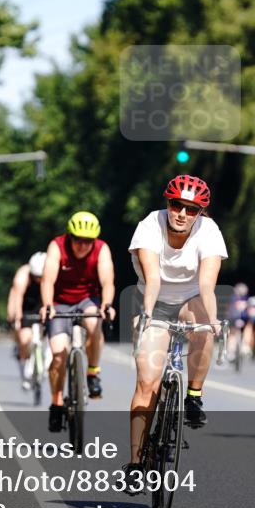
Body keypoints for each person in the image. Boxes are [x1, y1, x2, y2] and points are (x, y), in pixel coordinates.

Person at [124, 175, 227, 487]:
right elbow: (152, 279)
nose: (182, 213)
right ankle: (136, 462)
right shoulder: (149, 226)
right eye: (176, 205)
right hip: (154, 303)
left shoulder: (209, 232)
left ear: (200, 213)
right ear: (167, 204)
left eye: (191, 209)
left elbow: (208, 285)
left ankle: (194, 395)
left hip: (191, 300)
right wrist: (145, 315)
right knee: (146, 384)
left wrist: (214, 320)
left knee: (205, 329)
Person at [40, 212, 117, 431]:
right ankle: (56, 403)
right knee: (58, 355)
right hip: (59, 302)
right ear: (69, 236)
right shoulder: (57, 246)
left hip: (86, 299)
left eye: (88, 241)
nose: (82, 246)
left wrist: (107, 304)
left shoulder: (101, 249)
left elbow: (107, 281)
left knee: (94, 324)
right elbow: (47, 280)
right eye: (78, 240)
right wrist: (47, 305)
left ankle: (92, 372)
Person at [7, 252, 46, 390]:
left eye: (41, 277)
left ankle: (43, 360)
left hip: (43, 304)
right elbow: (17, 298)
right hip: (25, 306)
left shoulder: (52, 273)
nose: (38, 280)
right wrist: (17, 318)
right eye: (36, 277)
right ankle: (23, 362)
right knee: (24, 338)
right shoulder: (22, 276)